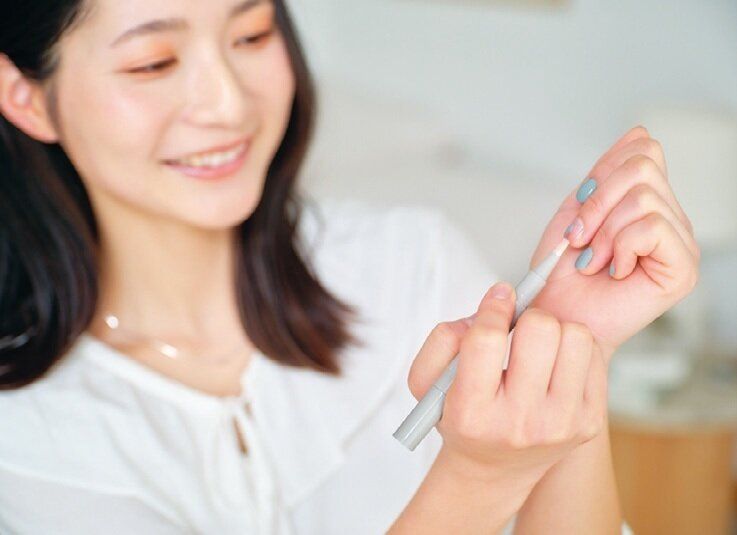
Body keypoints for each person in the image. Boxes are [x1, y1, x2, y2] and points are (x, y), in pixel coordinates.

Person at [0, 0, 699, 533]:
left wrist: (571, 345)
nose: (228, 102)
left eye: (252, 35)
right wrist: (475, 483)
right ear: (26, 97)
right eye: (153, 63)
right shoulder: (23, 430)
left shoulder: (412, 263)